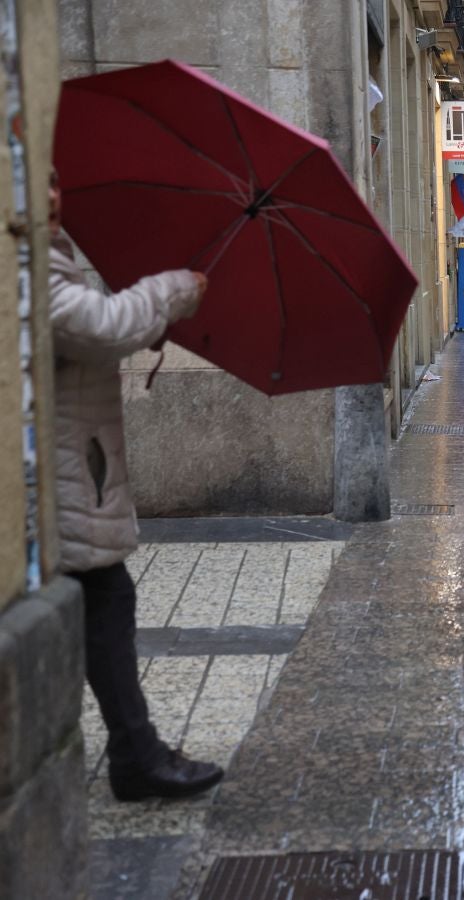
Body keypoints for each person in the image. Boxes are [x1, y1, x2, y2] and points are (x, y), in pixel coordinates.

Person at [47, 172, 224, 801]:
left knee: (102, 599)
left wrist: (146, 319)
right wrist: (171, 291)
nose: (49, 195)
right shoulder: (27, 259)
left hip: (68, 461)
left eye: (52, 181)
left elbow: (88, 334)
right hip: (55, 469)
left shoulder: (45, 254)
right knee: (104, 599)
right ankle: (134, 754)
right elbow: (95, 324)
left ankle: (135, 751)